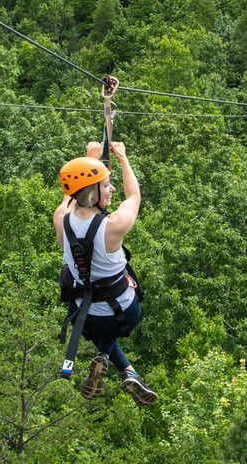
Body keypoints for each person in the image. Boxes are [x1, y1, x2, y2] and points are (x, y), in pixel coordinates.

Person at [54, 138, 155, 404]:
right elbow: (134, 196)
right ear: (93, 192)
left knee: (101, 322)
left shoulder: (60, 219)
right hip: (124, 313)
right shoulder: (114, 225)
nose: (112, 189)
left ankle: (124, 367)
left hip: (83, 317)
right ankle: (116, 363)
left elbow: (71, 195)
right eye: (106, 185)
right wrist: (122, 157)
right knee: (116, 317)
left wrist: (90, 158)